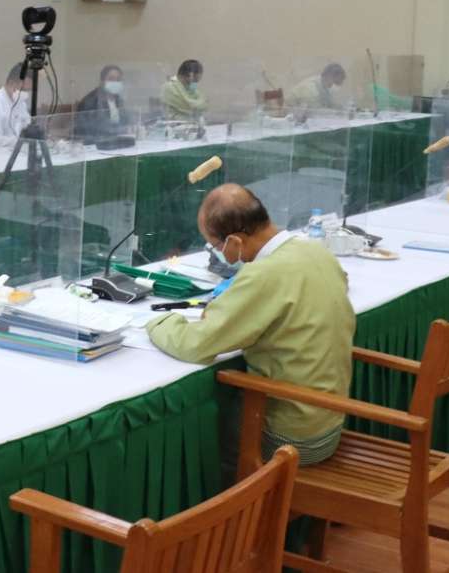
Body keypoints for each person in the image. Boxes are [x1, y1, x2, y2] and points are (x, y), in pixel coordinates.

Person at [146, 184, 354, 465]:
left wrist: (159, 322)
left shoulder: (263, 274)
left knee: (203, 436)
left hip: (290, 442)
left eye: (215, 246)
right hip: (328, 424)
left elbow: (196, 345)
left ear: (234, 241)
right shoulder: (315, 251)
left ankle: (236, 492)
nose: (217, 253)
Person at [73, 64, 130, 142]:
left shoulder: (118, 100)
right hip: (96, 143)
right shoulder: (90, 101)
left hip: (116, 140)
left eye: (118, 79)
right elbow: (85, 130)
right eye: (111, 79)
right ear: (102, 81)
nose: (115, 82)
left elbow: (125, 121)